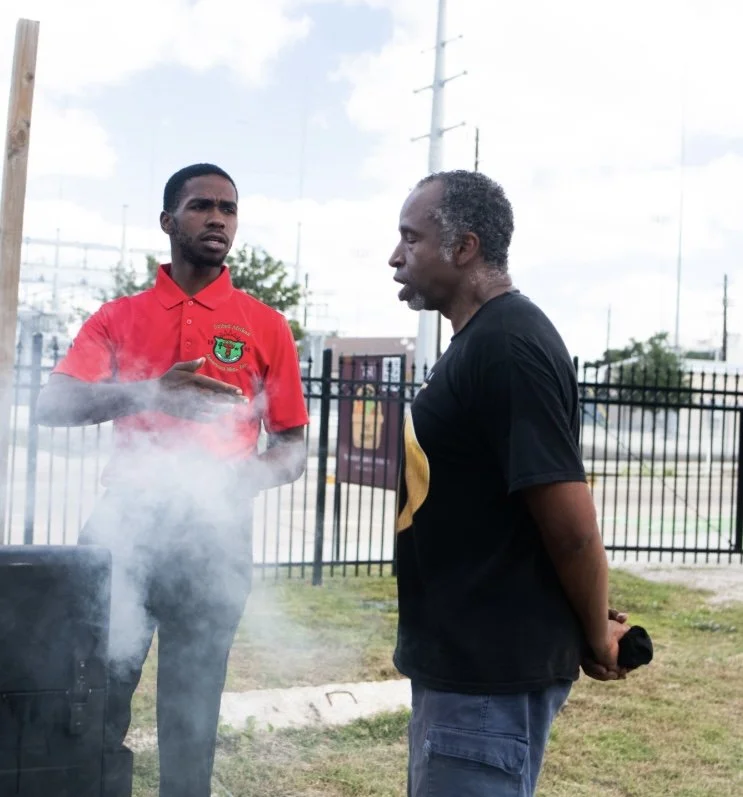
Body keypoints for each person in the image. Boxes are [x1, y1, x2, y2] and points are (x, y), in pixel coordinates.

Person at [36, 163, 309, 797]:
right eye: (201, 206)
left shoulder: (264, 324)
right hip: (123, 528)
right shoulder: (117, 316)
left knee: (192, 717)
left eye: (228, 209)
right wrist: (150, 392)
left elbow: (292, 447)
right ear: (168, 221)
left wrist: (241, 481)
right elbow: (52, 407)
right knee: (93, 703)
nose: (218, 218)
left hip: (215, 539)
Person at [388, 170, 630, 797]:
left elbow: (570, 526)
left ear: (464, 248)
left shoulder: (509, 345)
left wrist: (597, 633)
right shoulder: (475, 345)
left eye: (411, 240)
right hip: (461, 668)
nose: (395, 257)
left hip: (485, 684)